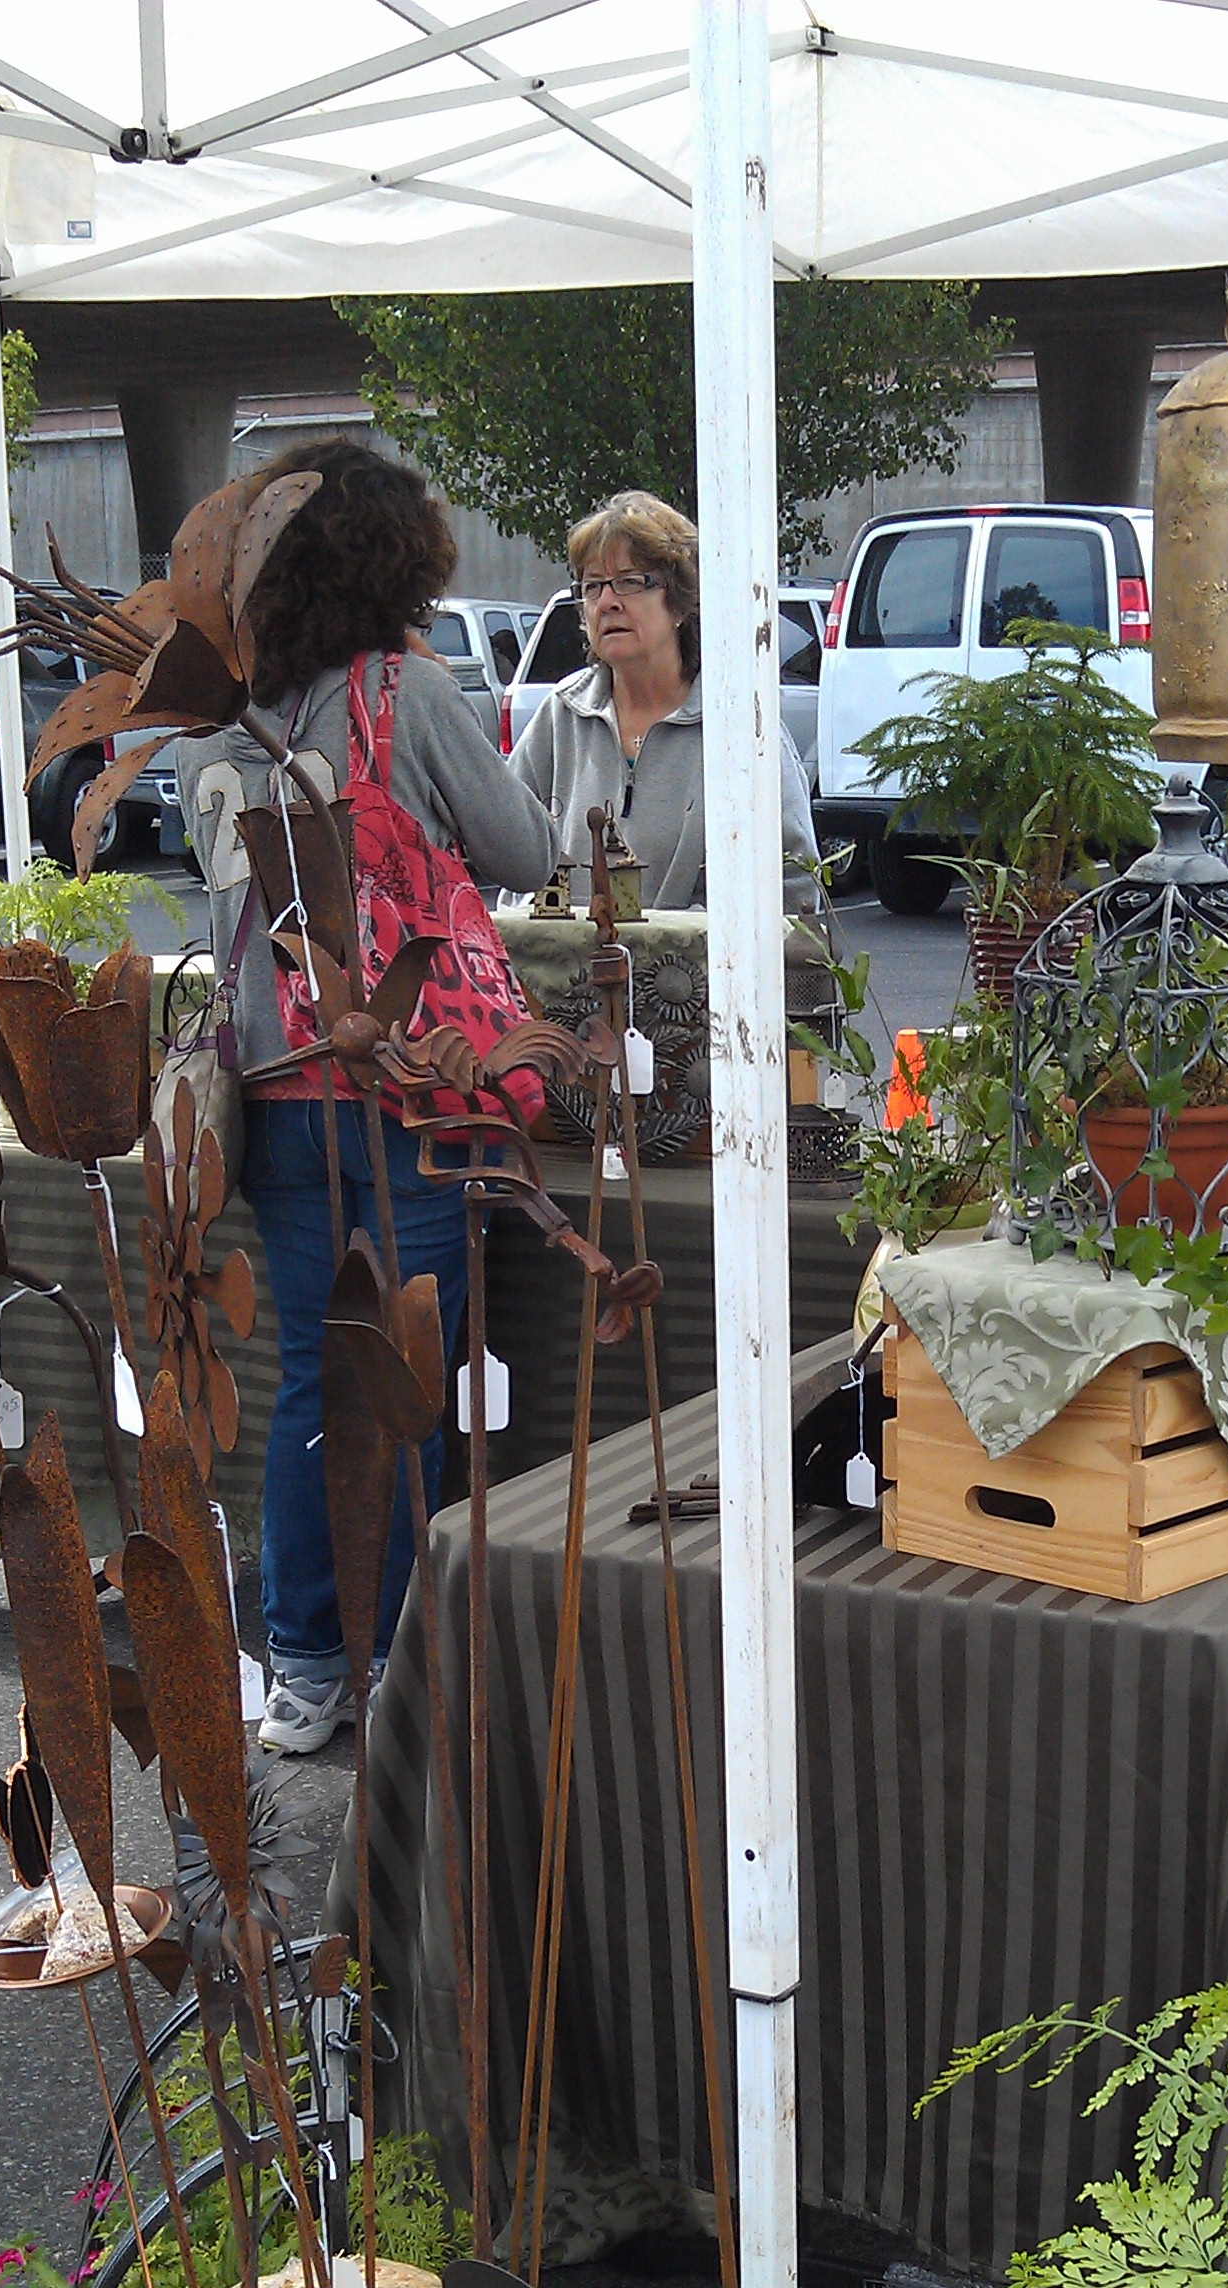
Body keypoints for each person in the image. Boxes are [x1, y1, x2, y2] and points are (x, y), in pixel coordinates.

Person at [178, 438, 556, 1755]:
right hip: (401, 1077)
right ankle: (397, 1658)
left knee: (304, 1374)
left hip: (273, 1087)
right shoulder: (404, 689)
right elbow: (526, 850)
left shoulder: (215, 722)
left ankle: (302, 1666)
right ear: (395, 559)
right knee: (400, 1370)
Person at [510, 489, 818, 911]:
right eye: (593, 586)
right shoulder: (560, 716)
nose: (607, 602)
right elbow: (513, 865)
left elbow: (794, 888)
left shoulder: (738, 727)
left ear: (679, 603)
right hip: (563, 974)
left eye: (630, 582)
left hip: (691, 975)